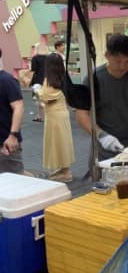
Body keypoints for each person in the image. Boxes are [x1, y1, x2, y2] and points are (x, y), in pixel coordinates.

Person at [76, 34, 128, 161]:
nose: (123, 66)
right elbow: (81, 114)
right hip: (104, 145)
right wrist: (101, 135)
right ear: (107, 55)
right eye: (118, 61)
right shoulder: (93, 78)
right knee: (105, 179)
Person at [39, 54, 74, 182]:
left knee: (57, 142)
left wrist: (37, 92)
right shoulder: (63, 78)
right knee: (62, 142)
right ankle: (64, 169)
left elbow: (45, 98)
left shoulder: (49, 81)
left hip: (54, 116)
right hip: (62, 113)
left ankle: (66, 172)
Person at [0, 48, 24, 174]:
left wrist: (13, 135)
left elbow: (19, 107)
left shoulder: (6, 80)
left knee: (15, 182)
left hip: (6, 144)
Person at [29, 42, 48, 122]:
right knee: (42, 99)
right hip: (47, 80)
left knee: (40, 99)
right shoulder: (48, 58)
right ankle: (39, 116)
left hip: (37, 81)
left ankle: (48, 114)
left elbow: (33, 70)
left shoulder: (35, 58)